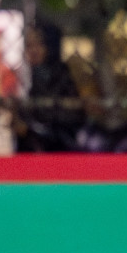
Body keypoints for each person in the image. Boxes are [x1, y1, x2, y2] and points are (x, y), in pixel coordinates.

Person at [16, 17, 82, 152]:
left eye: (39, 44)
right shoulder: (25, 75)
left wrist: (30, 127)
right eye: (29, 45)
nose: (33, 50)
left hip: (57, 145)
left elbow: (65, 119)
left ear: (49, 46)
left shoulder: (60, 74)